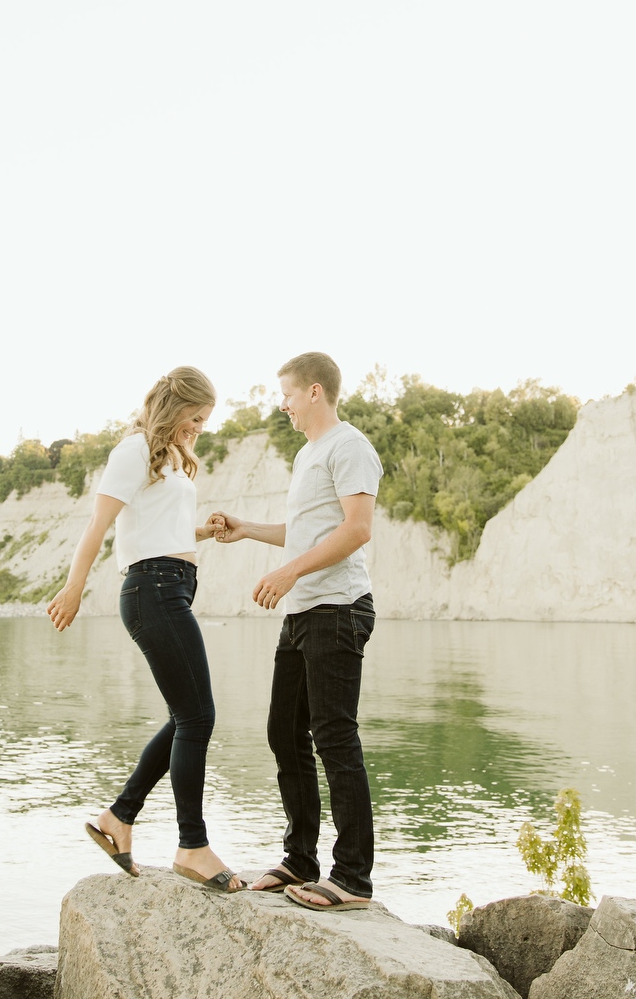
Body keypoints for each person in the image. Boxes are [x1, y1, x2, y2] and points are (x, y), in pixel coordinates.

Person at [47, 366, 247, 893]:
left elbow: (160, 526)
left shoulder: (171, 458)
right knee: (197, 716)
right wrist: (74, 588)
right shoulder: (132, 451)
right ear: (174, 406)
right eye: (196, 417)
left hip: (172, 586)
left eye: (206, 419)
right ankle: (192, 846)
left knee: (188, 716)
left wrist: (204, 531)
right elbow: (99, 525)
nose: (200, 427)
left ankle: (118, 820)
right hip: (151, 590)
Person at [208, 351, 382, 912]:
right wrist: (247, 530)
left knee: (335, 737)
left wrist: (288, 572)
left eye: (285, 393)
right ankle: (299, 861)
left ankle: (352, 878)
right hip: (304, 612)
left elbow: (356, 531)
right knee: (285, 733)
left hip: (337, 609)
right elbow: (306, 529)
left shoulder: (349, 446)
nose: (280, 403)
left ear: (313, 391)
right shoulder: (311, 452)